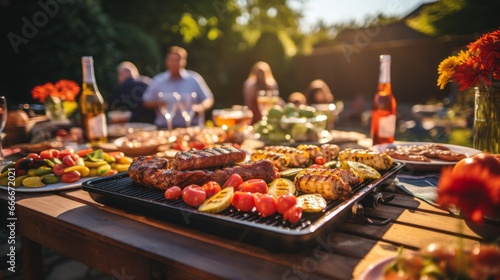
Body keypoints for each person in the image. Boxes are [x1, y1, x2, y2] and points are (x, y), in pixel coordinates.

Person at [142, 46, 214, 128]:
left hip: (192, 127)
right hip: (164, 128)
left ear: (184, 61)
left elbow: (209, 99)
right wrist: (159, 103)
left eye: (177, 60)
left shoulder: (194, 79)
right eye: (171, 60)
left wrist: (200, 107)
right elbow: (146, 101)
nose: (174, 63)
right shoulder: (158, 80)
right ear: (166, 61)